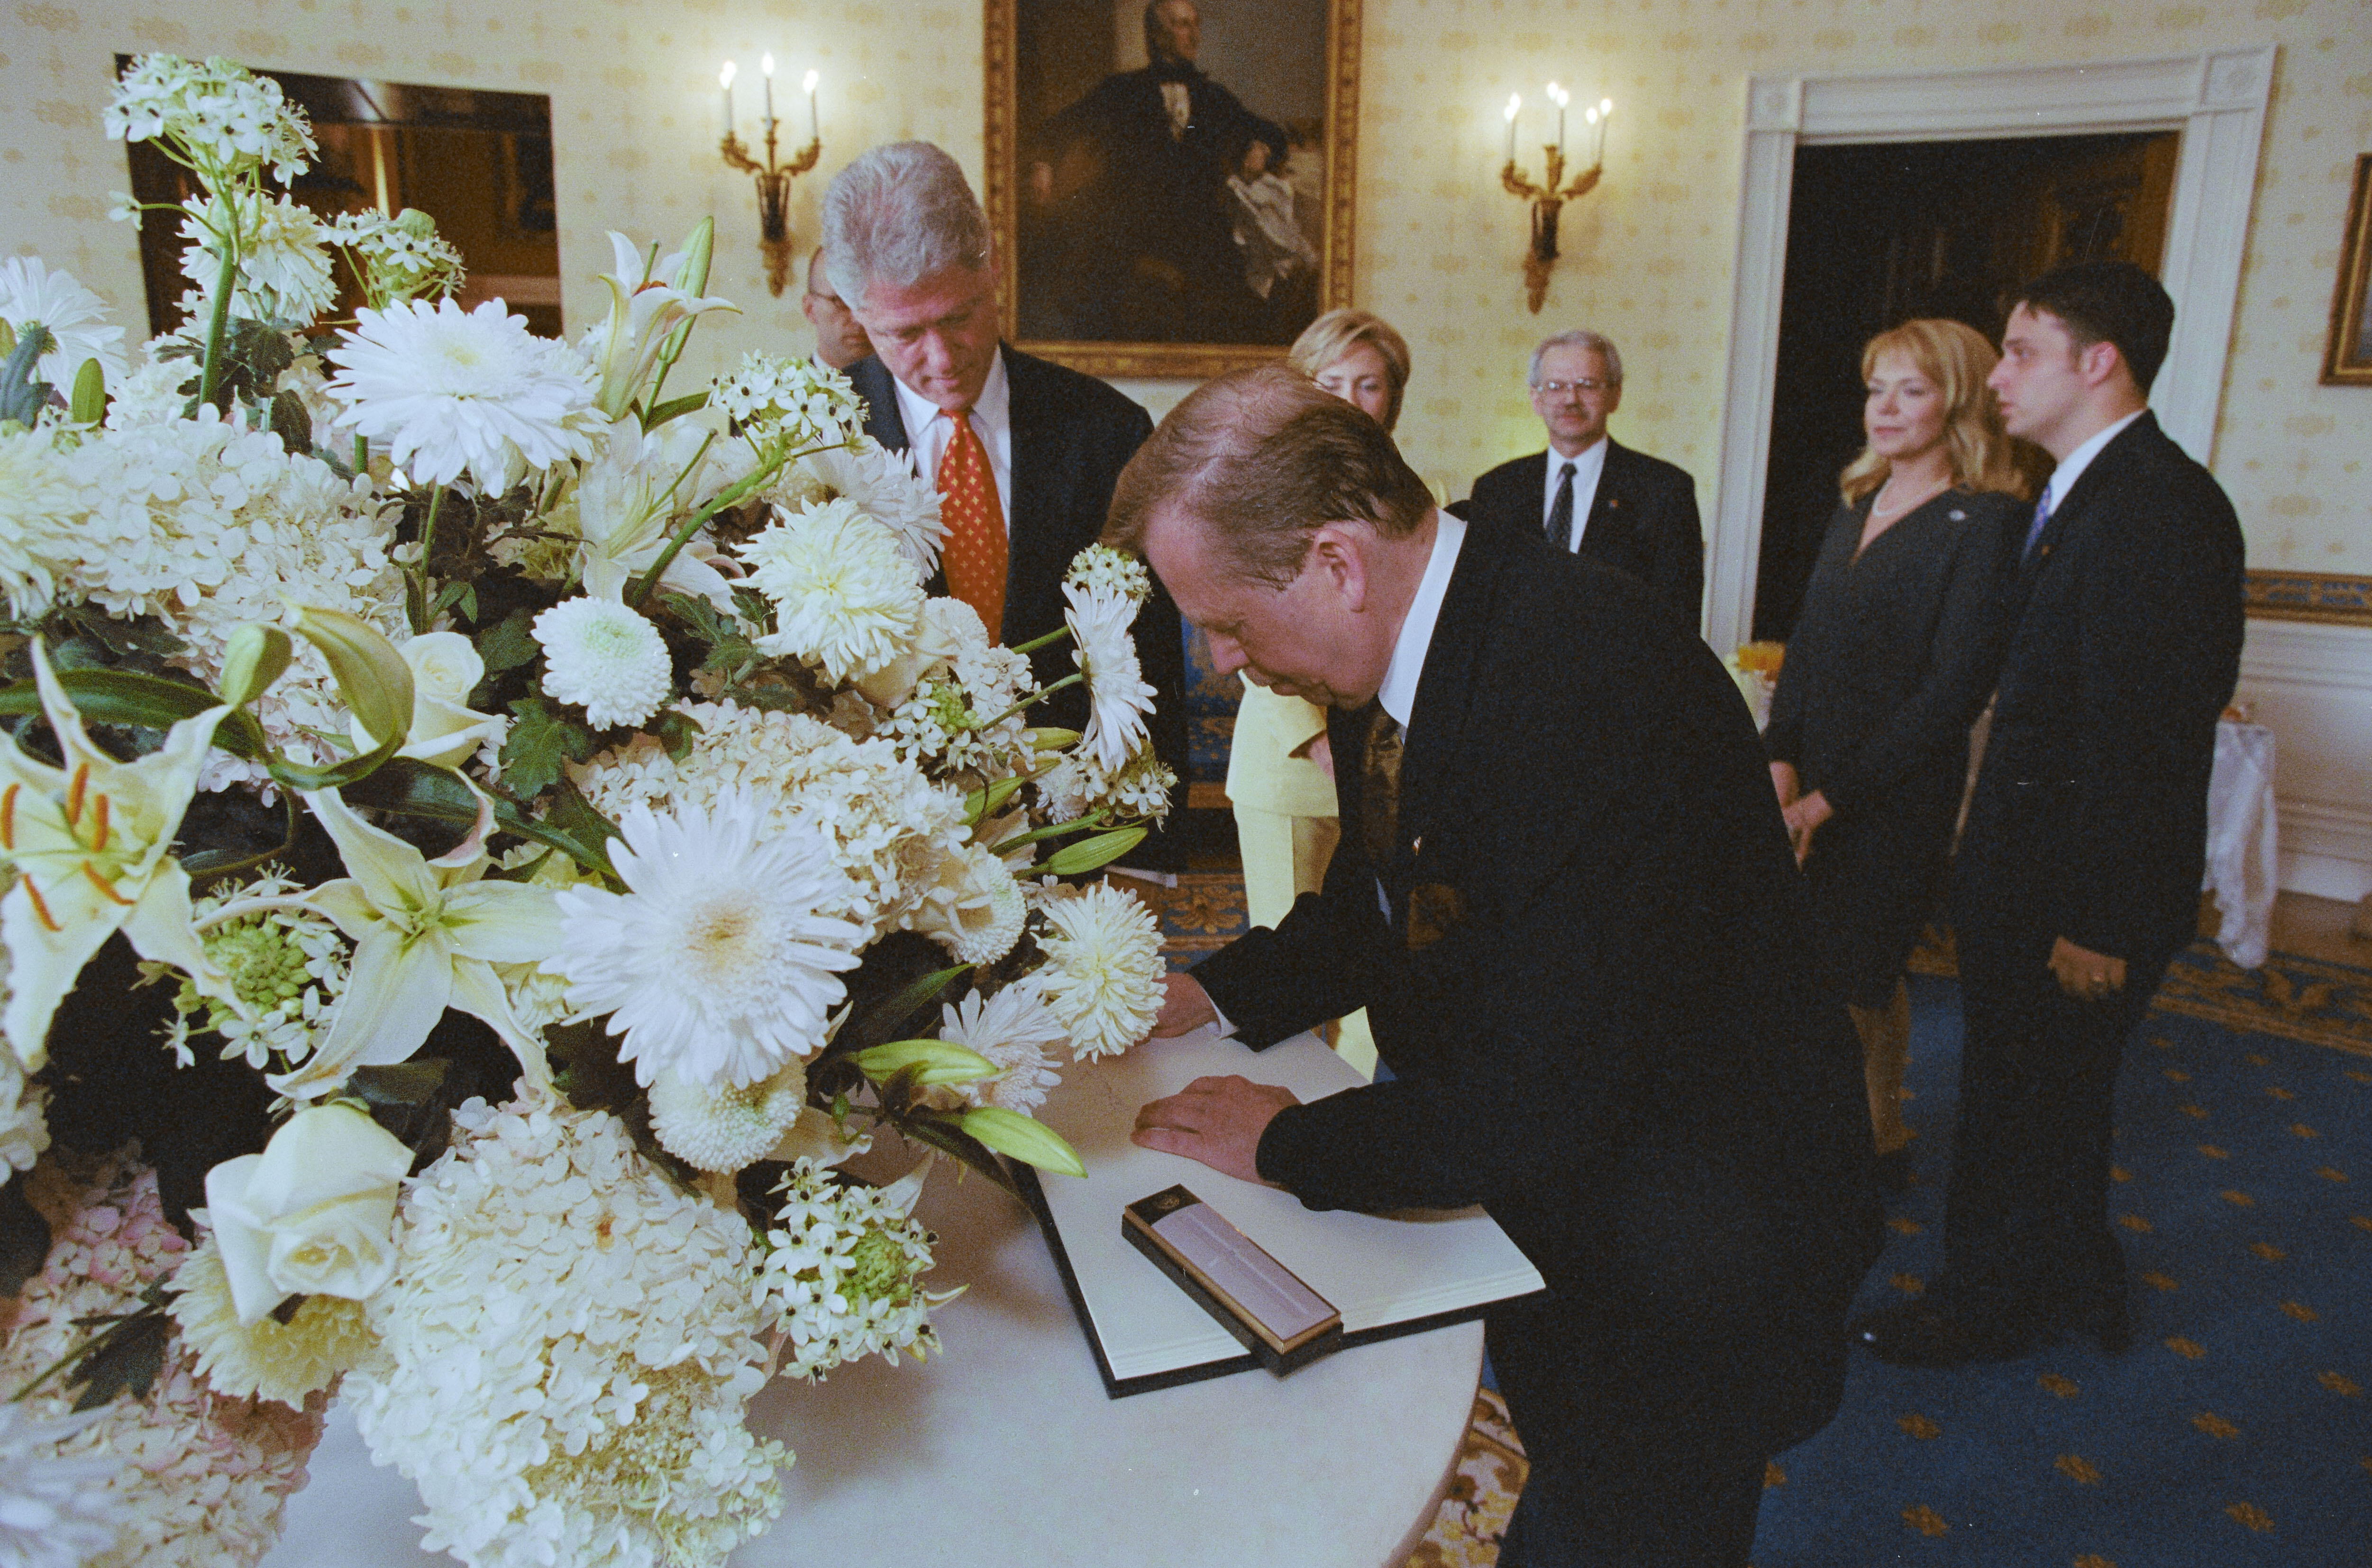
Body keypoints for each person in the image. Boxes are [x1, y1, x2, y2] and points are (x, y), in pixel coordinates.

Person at [1111, 367, 1880, 1567]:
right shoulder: (1418, 638)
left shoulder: (1580, 682)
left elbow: (1544, 1089)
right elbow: (1388, 894)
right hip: (1590, 1199)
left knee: (1629, 1523)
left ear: (1333, 562)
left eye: (1225, 620)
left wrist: (1282, 1141)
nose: (1215, 660)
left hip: (1694, 1250)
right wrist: (1211, 990)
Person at [1853, 261, 2245, 1367]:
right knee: (2049, 1098)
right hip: (2034, 872)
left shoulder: (2154, 506)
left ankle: (1978, 1304)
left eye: (2019, 352)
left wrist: (2101, 921)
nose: (1997, 378)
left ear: (2096, 361)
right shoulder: (2085, 489)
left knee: (2014, 1100)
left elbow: (2149, 742)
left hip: (2074, 895)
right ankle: (2073, 1272)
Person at [822, 142, 1188, 844]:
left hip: (1074, 831)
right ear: (857, 313)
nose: (939, 356)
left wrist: (1146, 845)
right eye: (905, 333)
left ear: (994, 269)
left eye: (959, 316)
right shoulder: (820, 443)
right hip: (881, 840)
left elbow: (1149, 654)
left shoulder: (1106, 431)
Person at [1764, 319, 2027, 1192]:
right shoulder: (1854, 503)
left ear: (1954, 398)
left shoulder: (1986, 520)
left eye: (1908, 390)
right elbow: (1804, 647)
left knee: (1859, 965)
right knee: (1816, 966)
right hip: (1809, 777)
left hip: (1893, 792)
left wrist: (1825, 800)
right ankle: (1854, 1120)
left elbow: (1951, 694)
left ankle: (1874, 1136)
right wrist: (1779, 761)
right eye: (1875, 388)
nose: (1883, 408)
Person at [1226, 309, 1409, 1076]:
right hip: (1287, 759)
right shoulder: (1253, 489)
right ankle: (1284, 1102)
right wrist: (1321, 738)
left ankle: (1367, 1106)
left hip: (1385, 763)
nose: (1350, 399)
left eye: (1367, 384)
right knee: (1291, 957)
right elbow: (1240, 624)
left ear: (1390, 398)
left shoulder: (1411, 492)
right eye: (1331, 382)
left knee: (1386, 943)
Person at [1021, 0, 1290, 343]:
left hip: (1200, 229)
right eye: (1182, 25)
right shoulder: (1122, 91)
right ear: (1157, 36)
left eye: (1195, 24)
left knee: (1242, 313)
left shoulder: (1213, 97)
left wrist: (1261, 148)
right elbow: (1057, 127)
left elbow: (1272, 132)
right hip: (1134, 227)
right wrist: (1042, 163)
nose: (1194, 34)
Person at [1464, 330, 1706, 628]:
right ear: (1536, 399)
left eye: (1587, 386)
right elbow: (1476, 606)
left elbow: (1679, 620)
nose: (1570, 400)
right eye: (1555, 387)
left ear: (1615, 396)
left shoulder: (1665, 490)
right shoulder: (1496, 489)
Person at [801, 246, 872, 370]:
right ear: (810, 309)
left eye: (868, 303)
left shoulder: (908, 387)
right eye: (841, 302)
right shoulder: (782, 389)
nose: (858, 319)